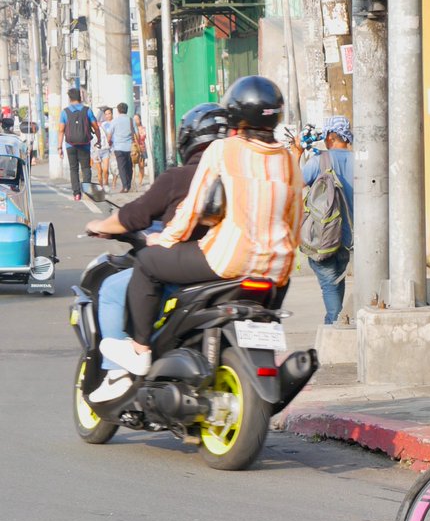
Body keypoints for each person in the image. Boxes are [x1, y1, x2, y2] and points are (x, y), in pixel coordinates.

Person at [103, 76, 303, 375]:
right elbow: (295, 220)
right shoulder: (289, 160)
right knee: (267, 315)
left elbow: (193, 209)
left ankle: (140, 349)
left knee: (146, 262)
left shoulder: (223, 149)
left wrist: (165, 240)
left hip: (229, 261)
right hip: (278, 269)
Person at [83, 104, 229, 402]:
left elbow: (135, 215)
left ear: (188, 141)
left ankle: (117, 372)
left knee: (111, 289)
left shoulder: (181, 177)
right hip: (237, 265)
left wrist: (99, 225)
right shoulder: (241, 178)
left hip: (190, 268)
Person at [301, 115, 355, 324]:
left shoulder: (320, 161)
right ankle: (336, 319)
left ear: (331, 137)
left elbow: (295, 184)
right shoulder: (361, 161)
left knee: (329, 283)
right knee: (337, 279)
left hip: (324, 236)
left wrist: (297, 153)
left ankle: (335, 323)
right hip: (349, 238)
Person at [60, 88, 102, 201]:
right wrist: (99, 139)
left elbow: (61, 130)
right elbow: (95, 126)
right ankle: (87, 192)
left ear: (70, 98)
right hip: (85, 144)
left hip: (70, 145)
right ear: (80, 97)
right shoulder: (87, 110)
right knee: (86, 168)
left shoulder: (65, 112)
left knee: (73, 169)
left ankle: (76, 194)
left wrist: (59, 147)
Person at [108, 103, 136, 193]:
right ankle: (128, 184)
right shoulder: (131, 120)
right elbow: (136, 134)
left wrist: (109, 142)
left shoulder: (114, 121)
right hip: (130, 148)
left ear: (118, 110)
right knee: (129, 167)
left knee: (122, 167)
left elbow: (109, 134)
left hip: (118, 147)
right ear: (127, 110)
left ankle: (125, 186)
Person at [94, 106, 114, 192]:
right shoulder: (94, 128)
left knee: (105, 170)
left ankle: (106, 184)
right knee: (99, 171)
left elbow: (110, 136)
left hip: (106, 149)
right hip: (96, 151)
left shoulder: (106, 125)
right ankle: (101, 187)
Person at [131, 113, 148, 189]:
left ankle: (140, 182)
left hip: (142, 148)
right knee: (132, 166)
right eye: (134, 119)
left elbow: (145, 137)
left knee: (141, 166)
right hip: (133, 149)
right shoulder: (131, 129)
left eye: (137, 119)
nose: (136, 121)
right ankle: (133, 181)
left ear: (140, 120)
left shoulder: (143, 128)